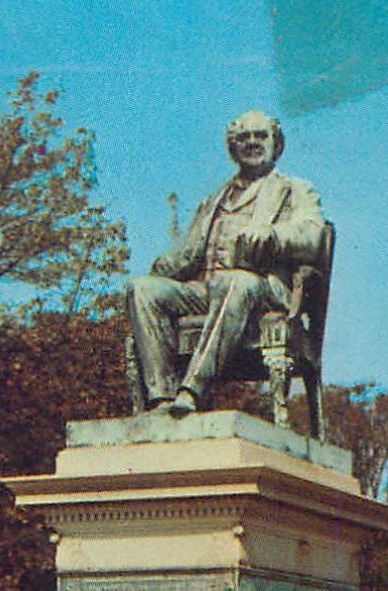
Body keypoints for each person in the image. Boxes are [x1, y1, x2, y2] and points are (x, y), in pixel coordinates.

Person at [127, 110, 326, 415]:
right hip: (207, 291)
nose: (252, 143)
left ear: (277, 145)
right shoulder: (213, 199)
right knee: (142, 289)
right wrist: (161, 269)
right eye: (243, 138)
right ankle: (162, 399)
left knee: (234, 280)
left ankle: (192, 391)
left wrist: (273, 235)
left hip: (261, 290)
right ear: (233, 148)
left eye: (261, 136)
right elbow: (185, 254)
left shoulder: (295, 189)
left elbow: (313, 237)